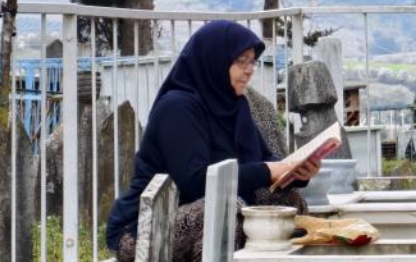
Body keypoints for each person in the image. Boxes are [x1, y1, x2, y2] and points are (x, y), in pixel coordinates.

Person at [106, 20, 321, 262]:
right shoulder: (177, 108)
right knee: (225, 209)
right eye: (241, 61)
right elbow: (195, 182)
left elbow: (265, 160)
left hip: (207, 210)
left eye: (252, 61)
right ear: (214, 61)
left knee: (288, 202)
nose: (250, 69)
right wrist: (267, 170)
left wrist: (295, 172)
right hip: (145, 227)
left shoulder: (235, 106)